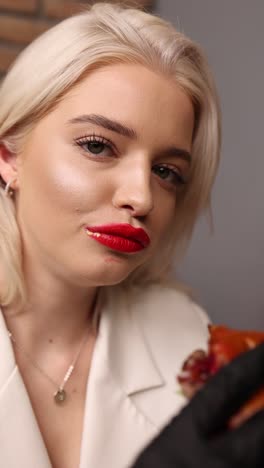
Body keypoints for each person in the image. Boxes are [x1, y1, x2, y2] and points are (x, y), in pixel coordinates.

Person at [0, 2, 263, 468]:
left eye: (167, 171)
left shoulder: (191, 343)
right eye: (98, 146)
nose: (142, 197)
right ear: (8, 156)